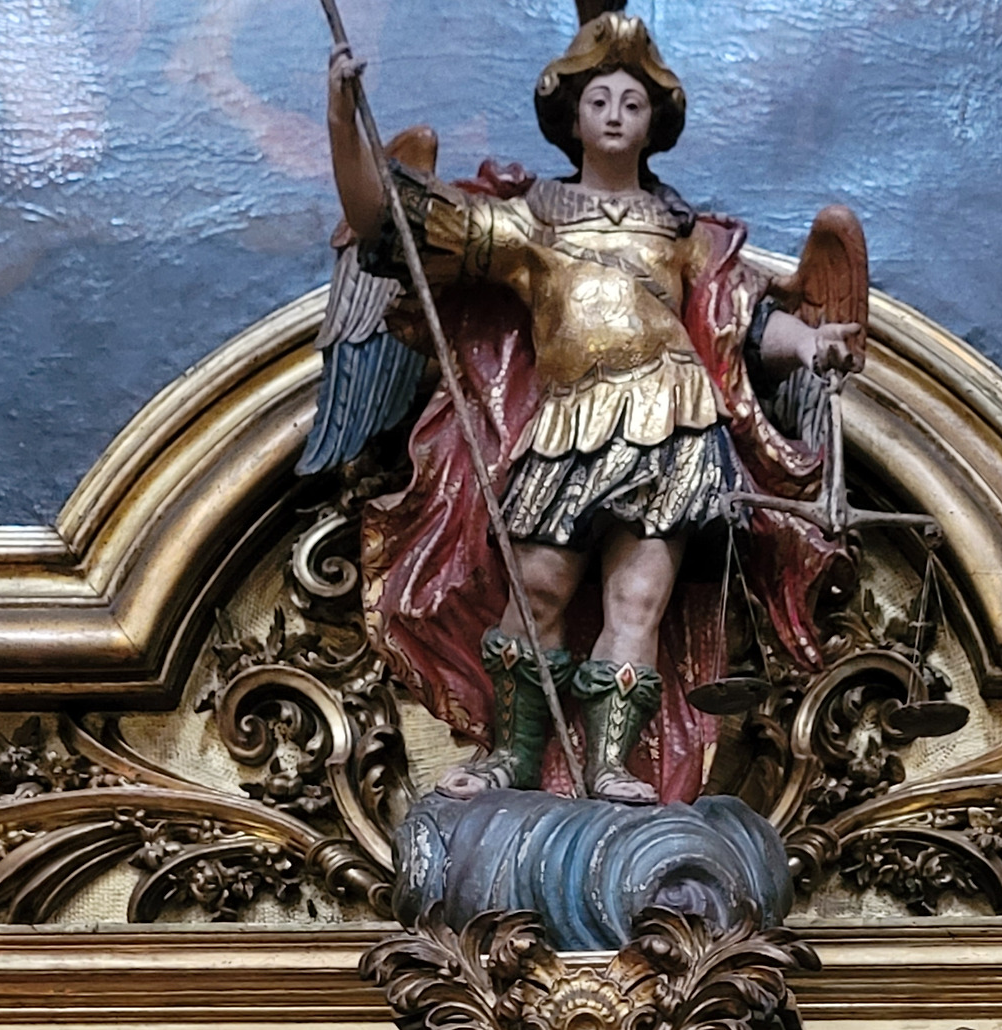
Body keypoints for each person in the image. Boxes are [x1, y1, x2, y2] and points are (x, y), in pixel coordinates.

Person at [326, 10, 862, 808]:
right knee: (536, 588)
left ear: (654, 124)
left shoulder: (682, 231)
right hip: (570, 423)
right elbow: (390, 226)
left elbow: (740, 318)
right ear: (571, 117)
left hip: (675, 421)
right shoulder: (531, 219)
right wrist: (342, 121)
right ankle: (512, 754)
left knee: (637, 600)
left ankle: (613, 763)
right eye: (599, 100)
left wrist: (811, 344)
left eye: (632, 103)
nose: (615, 114)